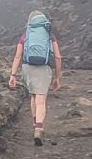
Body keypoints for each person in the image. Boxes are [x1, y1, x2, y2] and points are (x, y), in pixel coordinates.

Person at [8, 10, 62, 146]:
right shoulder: (49, 35)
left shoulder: (26, 34)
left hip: (28, 67)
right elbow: (58, 57)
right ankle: (39, 128)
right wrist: (57, 77)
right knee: (41, 100)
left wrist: (13, 75)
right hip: (44, 68)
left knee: (33, 96)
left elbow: (17, 56)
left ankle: (34, 122)